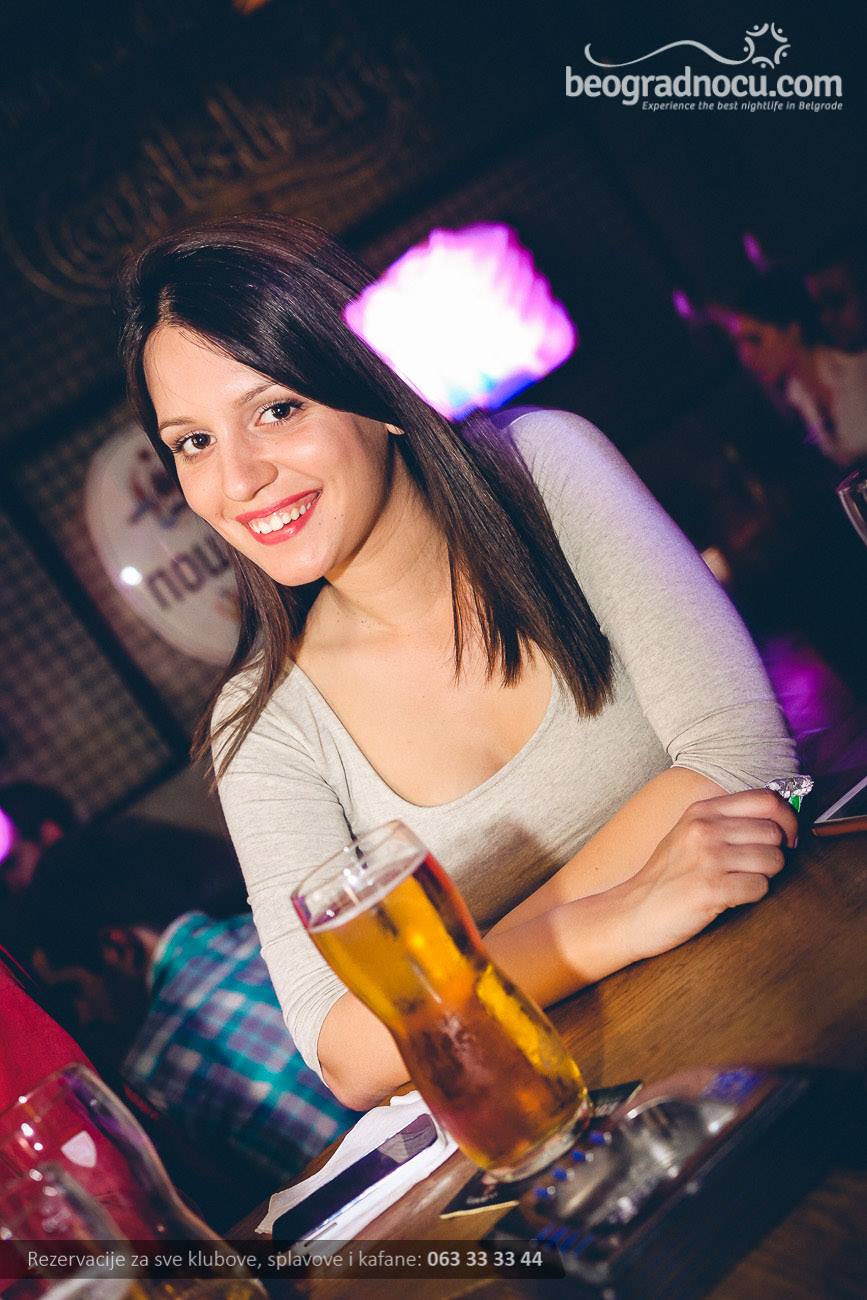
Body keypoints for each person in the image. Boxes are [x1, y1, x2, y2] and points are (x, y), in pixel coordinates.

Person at [119, 215, 798, 1113]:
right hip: (569, 1107)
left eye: (276, 410)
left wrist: (447, 986)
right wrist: (613, 919)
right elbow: (344, 1050)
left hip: (793, 979)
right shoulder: (267, 725)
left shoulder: (544, 468)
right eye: (193, 442)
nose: (237, 480)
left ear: (372, 386)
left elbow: (743, 759)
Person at [22, 829, 357, 1192]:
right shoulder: (268, 931)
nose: (83, 1015)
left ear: (118, 947)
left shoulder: (151, 1071)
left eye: (73, 990)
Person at [717, 269, 867, 470]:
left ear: (792, 330)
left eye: (755, 339)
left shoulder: (858, 370)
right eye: (739, 344)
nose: (745, 356)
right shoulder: (795, 401)